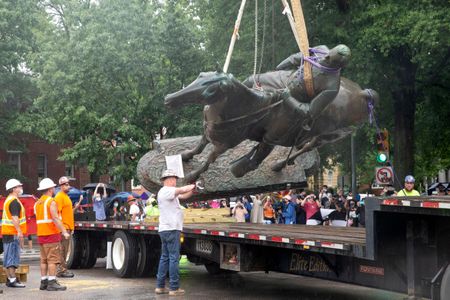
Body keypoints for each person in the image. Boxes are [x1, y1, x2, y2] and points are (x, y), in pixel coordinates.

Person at [155, 170, 195, 296]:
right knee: (173, 258)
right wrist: (193, 185)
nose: (176, 181)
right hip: (172, 229)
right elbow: (181, 190)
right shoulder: (167, 190)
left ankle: (160, 287)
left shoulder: (166, 193)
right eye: (175, 179)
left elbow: (183, 196)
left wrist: (192, 191)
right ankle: (174, 288)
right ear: (169, 179)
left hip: (165, 229)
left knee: (165, 257)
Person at [35, 178, 70, 291]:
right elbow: (55, 218)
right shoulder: (51, 202)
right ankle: (52, 282)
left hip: (41, 235)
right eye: (53, 187)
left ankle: (43, 281)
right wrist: (64, 231)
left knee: (43, 260)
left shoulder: (38, 203)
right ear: (50, 189)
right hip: (51, 235)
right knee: (53, 260)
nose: (54, 189)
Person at [2, 179, 27, 288]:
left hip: (8, 232)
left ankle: (10, 279)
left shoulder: (9, 200)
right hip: (12, 233)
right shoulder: (14, 201)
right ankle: (12, 280)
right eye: (19, 186)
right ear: (13, 189)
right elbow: (15, 218)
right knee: (12, 257)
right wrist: (19, 232)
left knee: (8, 256)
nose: (21, 188)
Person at [54, 176, 76, 278]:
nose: (69, 186)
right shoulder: (59, 197)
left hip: (68, 227)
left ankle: (62, 270)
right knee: (62, 250)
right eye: (66, 184)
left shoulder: (66, 197)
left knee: (65, 250)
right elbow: (57, 214)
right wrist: (62, 230)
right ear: (61, 186)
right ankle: (61, 270)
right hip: (64, 228)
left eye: (68, 184)